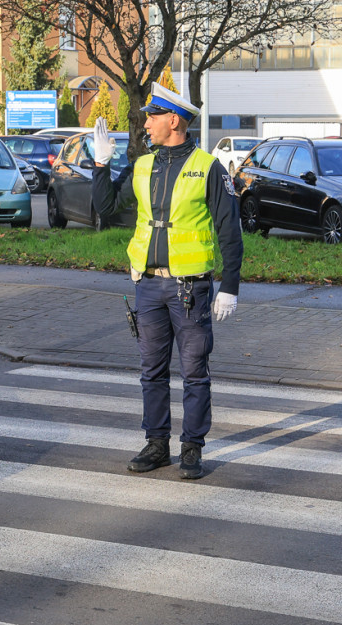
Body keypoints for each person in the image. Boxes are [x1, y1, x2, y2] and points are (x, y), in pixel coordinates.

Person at [91, 83, 243, 479]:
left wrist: (230, 286)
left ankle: (191, 447)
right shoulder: (143, 164)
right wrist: (100, 166)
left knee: (194, 372)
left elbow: (231, 233)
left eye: (153, 116)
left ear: (173, 120)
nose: (146, 123)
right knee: (151, 370)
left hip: (190, 289)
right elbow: (106, 208)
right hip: (148, 286)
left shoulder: (208, 168)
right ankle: (157, 444)